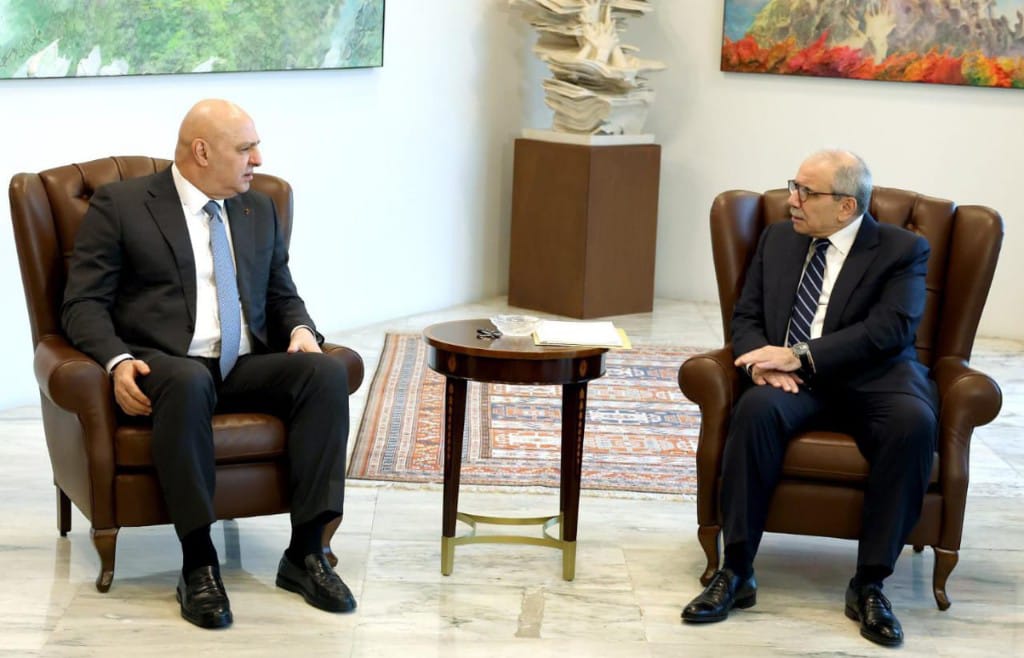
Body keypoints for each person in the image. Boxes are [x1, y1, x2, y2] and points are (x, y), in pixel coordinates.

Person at [62, 99, 355, 629]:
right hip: (165, 366)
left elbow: (281, 294)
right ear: (201, 151)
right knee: (189, 380)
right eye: (245, 148)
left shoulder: (257, 208)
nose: (258, 159)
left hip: (242, 364)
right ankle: (198, 562)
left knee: (326, 372)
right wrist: (116, 360)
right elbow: (82, 304)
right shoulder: (123, 206)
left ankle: (306, 553)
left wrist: (300, 331)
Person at [680, 150, 937, 648]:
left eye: (806, 192)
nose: (791, 200)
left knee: (913, 423)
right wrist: (757, 362)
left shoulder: (902, 249)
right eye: (793, 187)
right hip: (792, 383)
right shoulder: (778, 239)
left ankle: (870, 585)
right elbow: (746, 316)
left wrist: (798, 355)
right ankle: (736, 571)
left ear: (846, 206)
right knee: (754, 411)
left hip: (875, 378)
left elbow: (890, 330)